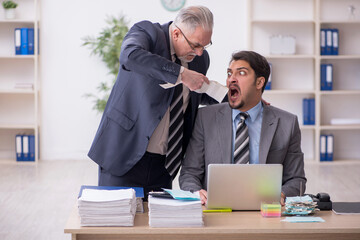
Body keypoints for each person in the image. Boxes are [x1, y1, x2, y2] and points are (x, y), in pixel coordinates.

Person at [88, 6, 220, 199]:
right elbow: (130, 55)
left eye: (205, 46)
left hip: (165, 164)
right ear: (176, 33)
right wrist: (181, 74)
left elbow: (196, 91)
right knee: (118, 224)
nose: (200, 52)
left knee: (158, 225)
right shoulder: (147, 33)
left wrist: (242, 99)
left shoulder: (200, 59)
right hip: (125, 153)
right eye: (196, 45)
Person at [179, 50, 306, 205]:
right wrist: (195, 192)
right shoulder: (205, 118)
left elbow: (296, 179)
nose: (231, 79)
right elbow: (189, 173)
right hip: (216, 211)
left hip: (265, 211)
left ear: (259, 83)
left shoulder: (287, 123)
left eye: (241, 73)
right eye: (229, 73)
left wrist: (282, 194)